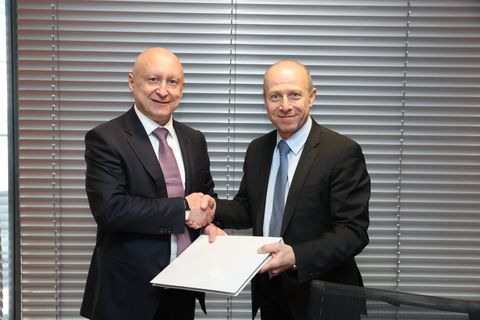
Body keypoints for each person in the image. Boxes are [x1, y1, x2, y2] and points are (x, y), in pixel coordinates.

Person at [213, 60, 371, 320]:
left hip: (322, 298)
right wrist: (212, 208)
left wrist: (296, 255)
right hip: (270, 291)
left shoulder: (341, 152)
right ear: (265, 99)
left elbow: (353, 232)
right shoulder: (257, 149)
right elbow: (248, 208)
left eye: (294, 95)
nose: (285, 106)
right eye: (275, 96)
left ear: (311, 96)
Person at [80, 47, 226, 320]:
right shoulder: (106, 138)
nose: (163, 90)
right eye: (153, 80)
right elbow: (110, 210)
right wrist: (184, 208)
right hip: (127, 294)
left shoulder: (194, 139)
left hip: (184, 286)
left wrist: (210, 224)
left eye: (172, 81)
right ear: (132, 82)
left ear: (182, 89)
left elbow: (205, 197)